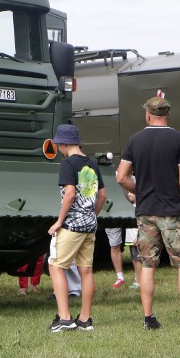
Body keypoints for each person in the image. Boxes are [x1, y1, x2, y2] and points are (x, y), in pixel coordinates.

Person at [116, 96, 180, 332]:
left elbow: (121, 177)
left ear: (148, 114)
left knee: (147, 264)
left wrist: (141, 190)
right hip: (173, 212)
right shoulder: (179, 139)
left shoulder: (134, 141)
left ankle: (149, 319)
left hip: (145, 212)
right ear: (167, 114)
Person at [47, 124, 106, 332]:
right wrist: (91, 214)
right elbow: (102, 195)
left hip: (72, 224)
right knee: (86, 270)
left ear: (63, 143)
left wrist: (59, 221)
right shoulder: (92, 164)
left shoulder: (67, 164)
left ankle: (64, 318)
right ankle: (84, 319)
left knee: (56, 266)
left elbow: (70, 194)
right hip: (90, 224)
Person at [125, 192, 142, 290]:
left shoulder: (139, 208)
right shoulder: (130, 207)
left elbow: (141, 224)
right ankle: (137, 278)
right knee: (134, 259)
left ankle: (139, 281)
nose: (129, 194)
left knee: (138, 260)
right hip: (130, 238)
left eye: (131, 192)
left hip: (136, 238)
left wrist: (138, 237)